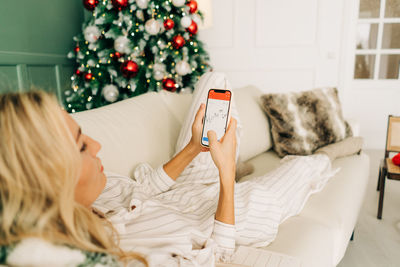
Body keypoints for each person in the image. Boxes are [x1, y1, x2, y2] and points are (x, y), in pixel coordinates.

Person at [0, 72, 362, 266]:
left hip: (182, 187)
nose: (96, 146)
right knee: (298, 168)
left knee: (214, 81)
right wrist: (225, 178)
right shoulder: (118, 255)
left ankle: (229, 160)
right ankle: (333, 151)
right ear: (47, 177)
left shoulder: (96, 192)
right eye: (81, 146)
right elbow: (221, 255)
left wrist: (194, 148)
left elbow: (145, 188)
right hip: (223, 215)